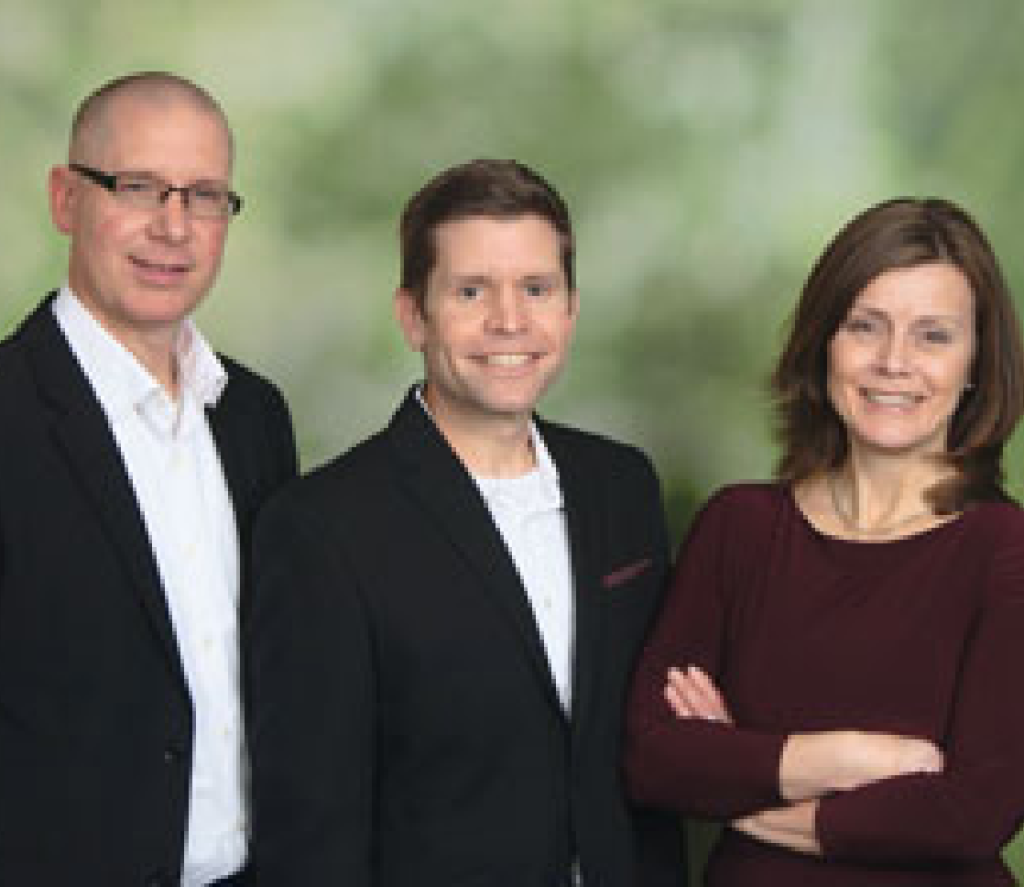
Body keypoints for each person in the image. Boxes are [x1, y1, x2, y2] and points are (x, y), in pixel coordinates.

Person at [246, 158, 685, 886]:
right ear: (412, 315)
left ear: (571, 309)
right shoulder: (321, 528)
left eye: (536, 288)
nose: (509, 320)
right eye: (471, 290)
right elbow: (311, 830)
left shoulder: (622, 486)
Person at [625, 197, 1024, 885]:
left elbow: (973, 811)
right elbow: (652, 756)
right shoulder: (738, 527)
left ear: (976, 365)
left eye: (933, 336)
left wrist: (745, 784)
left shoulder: (1005, 551)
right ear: (823, 342)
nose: (893, 361)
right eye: (865, 326)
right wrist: (852, 759)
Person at [0, 73, 298, 886]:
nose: (173, 226)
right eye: (137, 187)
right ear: (66, 199)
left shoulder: (254, 415)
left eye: (204, 196)